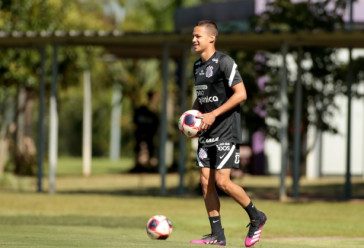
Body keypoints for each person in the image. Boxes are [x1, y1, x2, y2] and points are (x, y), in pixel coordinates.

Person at [189, 20, 267, 247]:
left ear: (211, 38)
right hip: (206, 132)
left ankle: (256, 216)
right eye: (193, 36)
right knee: (206, 183)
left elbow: (241, 94)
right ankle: (217, 235)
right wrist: (192, 118)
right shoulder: (197, 66)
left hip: (225, 131)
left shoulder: (225, 62)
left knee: (223, 182)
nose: (193, 40)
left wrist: (213, 114)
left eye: (198, 36)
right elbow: (202, 98)